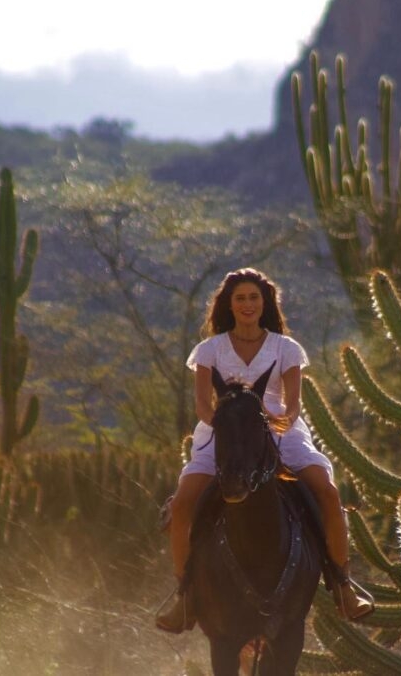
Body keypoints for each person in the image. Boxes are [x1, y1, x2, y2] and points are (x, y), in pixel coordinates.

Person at [155, 267, 374, 633]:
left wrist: (276, 422)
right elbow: (203, 407)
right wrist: (225, 426)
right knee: (181, 505)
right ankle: (185, 595)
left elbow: (292, 406)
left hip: (277, 430)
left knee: (328, 492)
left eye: (254, 298)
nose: (247, 304)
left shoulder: (285, 348)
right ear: (229, 303)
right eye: (240, 298)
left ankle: (343, 585)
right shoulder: (208, 350)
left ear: (265, 303)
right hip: (221, 433)